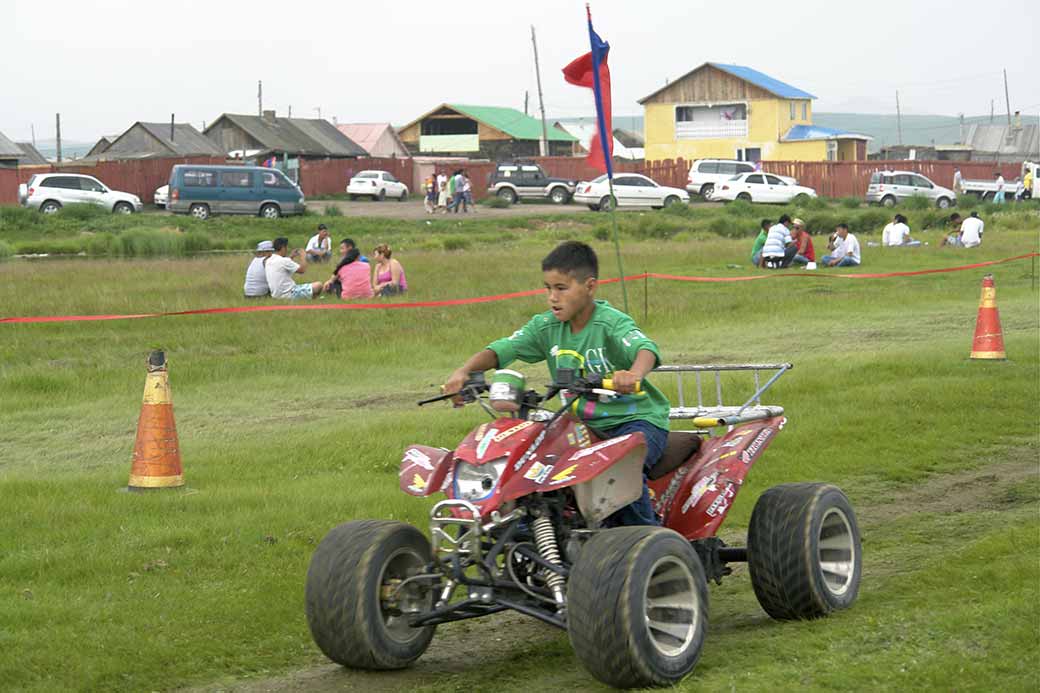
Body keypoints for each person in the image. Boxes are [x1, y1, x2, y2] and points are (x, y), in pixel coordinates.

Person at [442, 241, 669, 527]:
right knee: (532, 467)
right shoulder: (546, 327)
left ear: (590, 286)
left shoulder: (610, 323)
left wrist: (633, 374)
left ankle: (649, 540)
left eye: (561, 288)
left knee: (620, 466)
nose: (552, 297)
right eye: (548, 288)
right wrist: (464, 371)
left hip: (636, 422)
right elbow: (503, 350)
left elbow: (645, 349)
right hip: (581, 426)